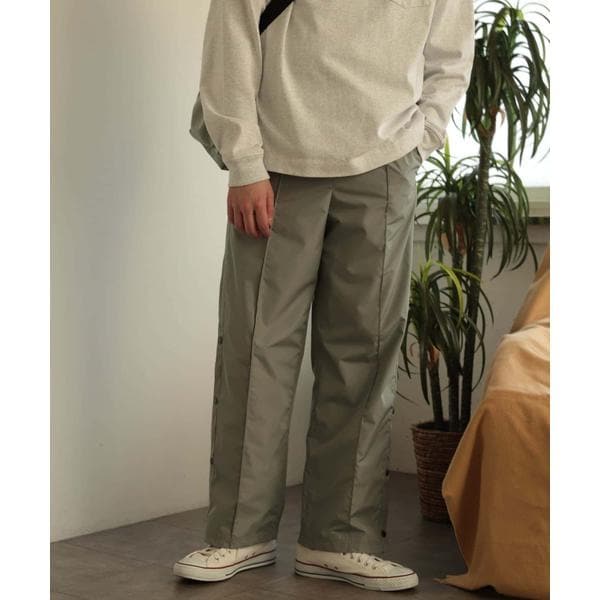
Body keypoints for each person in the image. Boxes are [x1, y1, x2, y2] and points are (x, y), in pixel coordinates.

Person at [174, 0, 474, 592]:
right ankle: (237, 534)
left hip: (386, 163)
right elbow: (233, 37)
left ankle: (340, 540)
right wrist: (244, 164)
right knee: (256, 351)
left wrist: (422, 139)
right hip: (275, 164)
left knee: (365, 354)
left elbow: (450, 55)